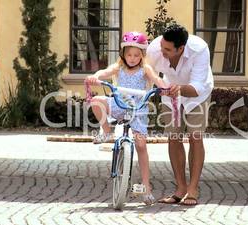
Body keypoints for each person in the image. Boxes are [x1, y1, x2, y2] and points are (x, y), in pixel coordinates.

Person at [85, 31, 166, 205]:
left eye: (136, 55)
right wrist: (96, 77)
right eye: (129, 54)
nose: (132, 58)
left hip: (138, 110)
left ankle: (146, 187)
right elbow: (105, 71)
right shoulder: (118, 67)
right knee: (97, 101)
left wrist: (165, 87)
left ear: (142, 55)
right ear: (123, 54)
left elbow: (157, 80)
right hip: (118, 105)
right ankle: (107, 131)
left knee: (141, 145)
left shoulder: (145, 69)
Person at [146, 24, 214, 206]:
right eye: (162, 46)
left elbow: (198, 86)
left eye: (167, 49)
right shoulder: (155, 48)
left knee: (195, 137)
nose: (162, 51)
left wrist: (180, 89)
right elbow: (146, 72)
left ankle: (193, 189)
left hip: (196, 93)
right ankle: (180, 188)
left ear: (181, 48)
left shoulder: (199, 49)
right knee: (173, 137)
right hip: (170, 91)